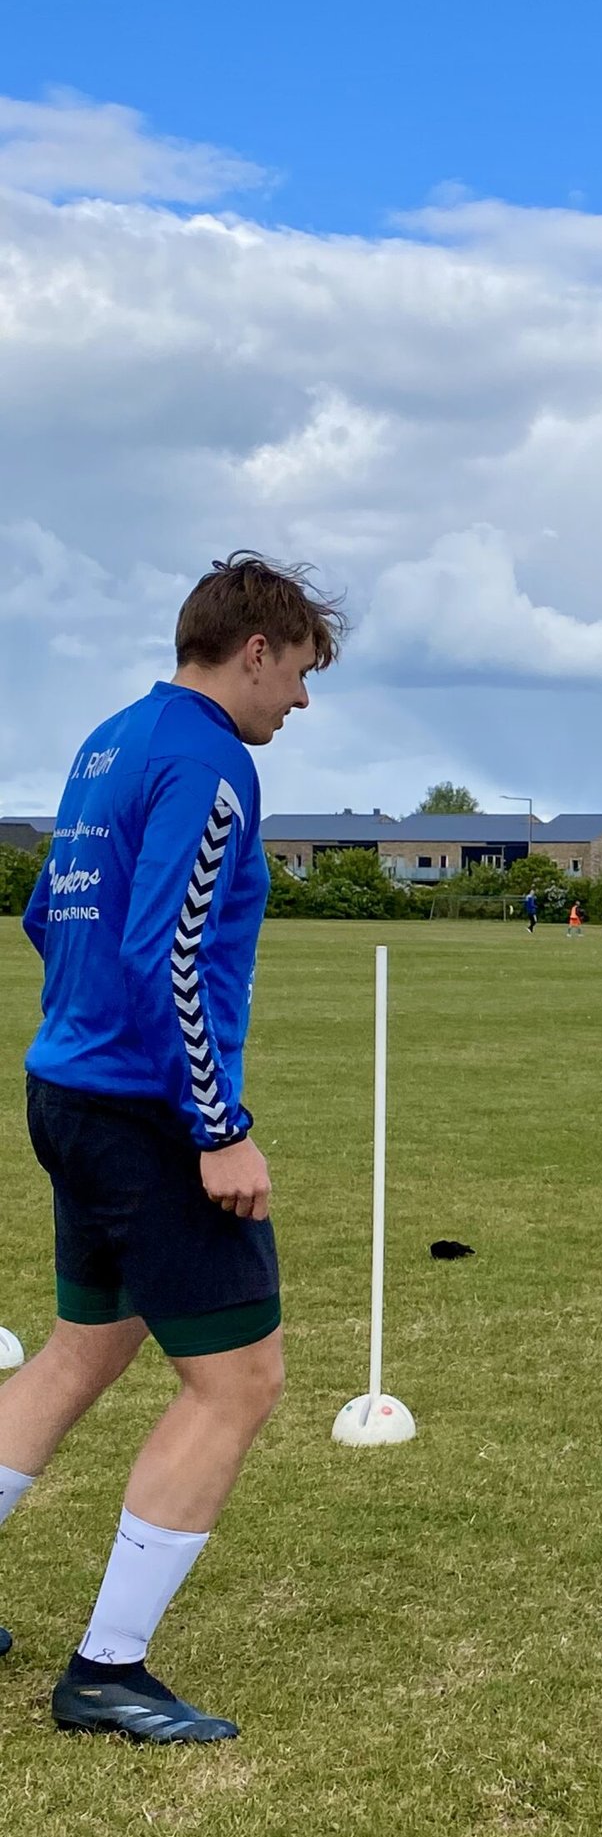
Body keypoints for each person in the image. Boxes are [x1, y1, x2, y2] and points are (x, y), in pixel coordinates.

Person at [0, 552, 345, 1740]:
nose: (300, 700)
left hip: (68, 1094)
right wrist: (219, 1128)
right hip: (146, 1119)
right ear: (255, 649)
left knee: (80, 1353)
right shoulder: (209, 761)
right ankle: (107, 1670)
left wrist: (91, 1029)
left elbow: (48, 914)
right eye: (298, 672)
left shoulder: (112, 741)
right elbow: (172, 953)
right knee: (239, 1381)